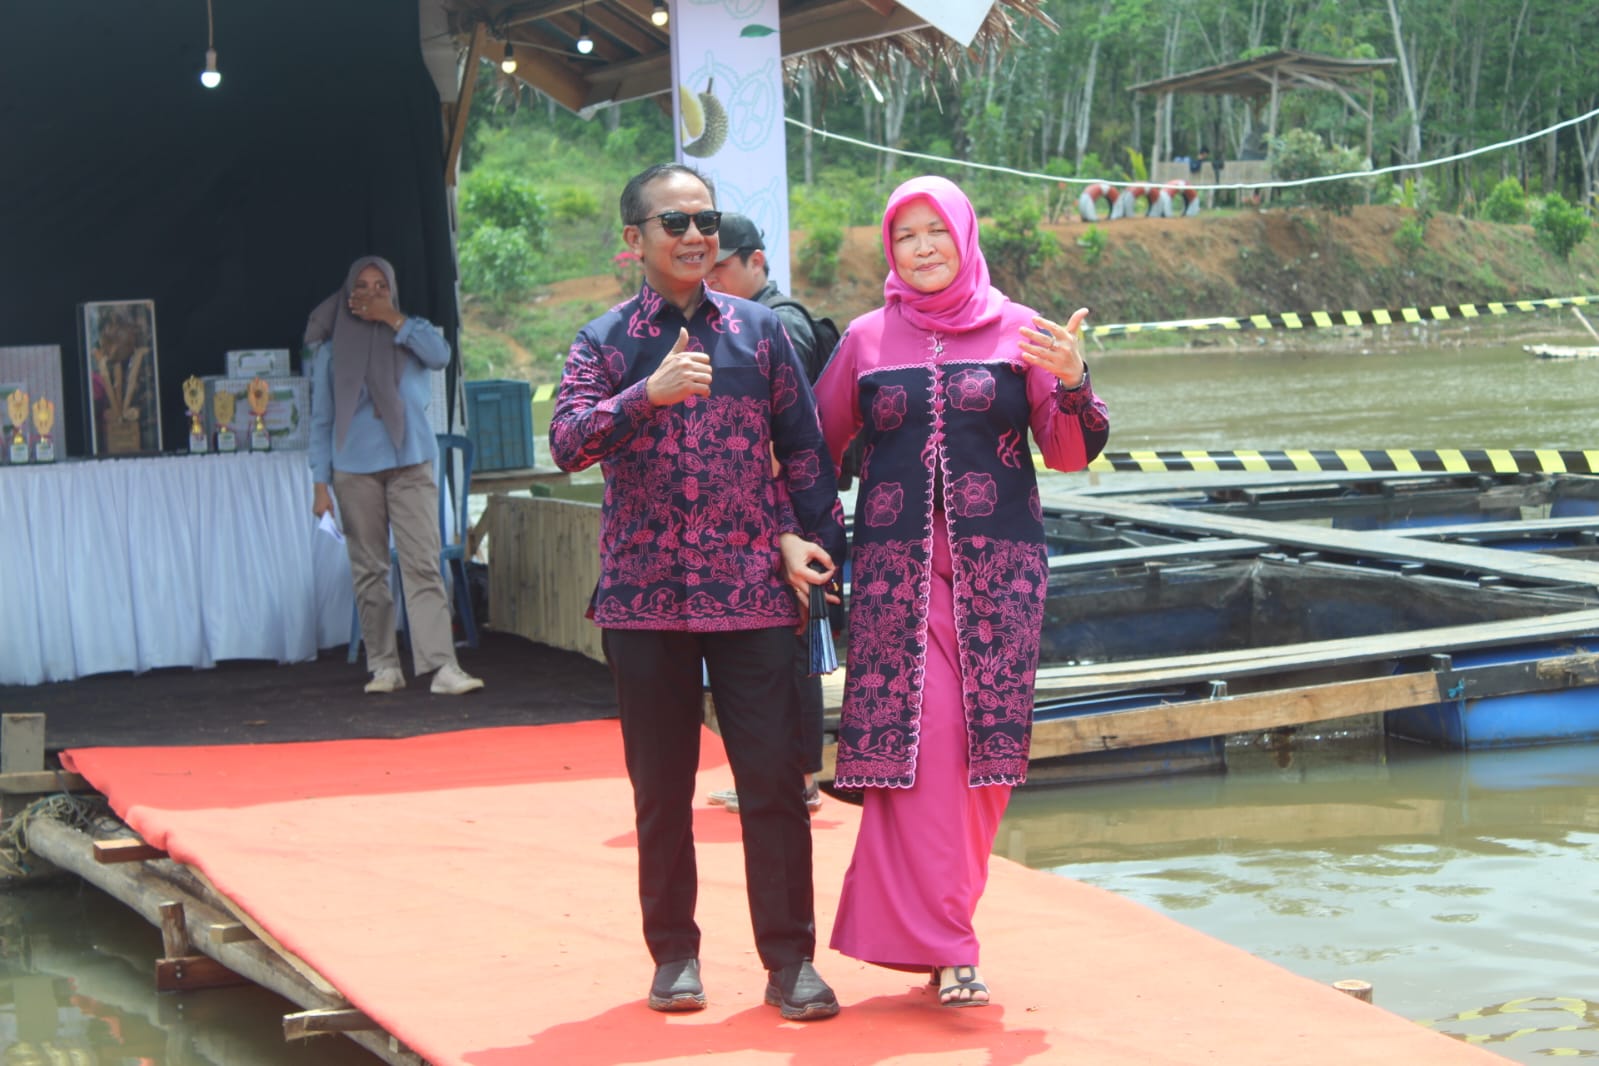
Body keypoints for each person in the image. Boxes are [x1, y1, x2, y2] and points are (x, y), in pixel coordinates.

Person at [548, 163, 847, 1021]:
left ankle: (790, 963)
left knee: (775, 785)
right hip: (643, 600)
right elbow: (566, 444)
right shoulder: (604, 342)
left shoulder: (759, 333)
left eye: (704, 221)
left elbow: (802, 452)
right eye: (673, 223)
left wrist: (814, 543)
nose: (693, 236)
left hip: (752, 592)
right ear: (633, 240)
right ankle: (673, 956)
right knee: (661, 791)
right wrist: (645, 395)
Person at [811, 175, 1109, 1008]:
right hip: (894, 583)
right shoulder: (866, 339)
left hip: (998, 579)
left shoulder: (1024, 331)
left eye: (934, 231)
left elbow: (1068, 453)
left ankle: (940, 933)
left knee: (984, 763)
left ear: (964, 235)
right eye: (904, 235)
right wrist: (804, 534)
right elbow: (814, 445)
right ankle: (949, 948)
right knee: (925, 743)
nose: (922, 248)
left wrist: (1074, 379)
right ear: (889, 248)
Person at [703, 212, 838, 817]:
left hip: (791, 515)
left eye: (721, 266)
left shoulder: (779, 324)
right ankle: (779, 774)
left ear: (756, 261)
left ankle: (800, 779)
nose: (710, 277)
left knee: (793, 647)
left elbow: (791, 436)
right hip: (763, 515)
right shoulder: (734, 323)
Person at [307, 256, 484, 697]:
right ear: (348, 296)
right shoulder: (331, 351)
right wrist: (319, 486)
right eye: (362, 287)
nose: (372, 294)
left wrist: (391, 318)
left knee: (422, 563)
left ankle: (442, 666)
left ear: (393, 291)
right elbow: (321, 421)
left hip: (411, 462)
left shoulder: (412, 334)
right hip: (353, 470)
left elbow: (441, 356)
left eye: (380, 286)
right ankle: (384, 665)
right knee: (369, 569)